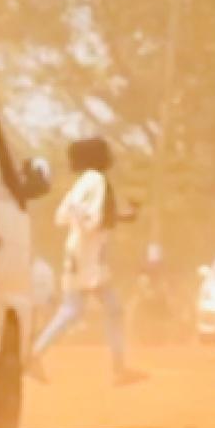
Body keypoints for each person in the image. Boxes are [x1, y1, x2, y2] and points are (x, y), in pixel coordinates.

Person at [32, 135, 144, 384]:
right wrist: (105, 221)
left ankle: (36, 353)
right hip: (88, 253)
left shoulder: (83, 182)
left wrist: (122, 216)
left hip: (77, 250)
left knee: (74, 309)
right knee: (108, 310)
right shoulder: (97, 180)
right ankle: (118, 369)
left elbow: (64, 215)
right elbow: (93, 218)